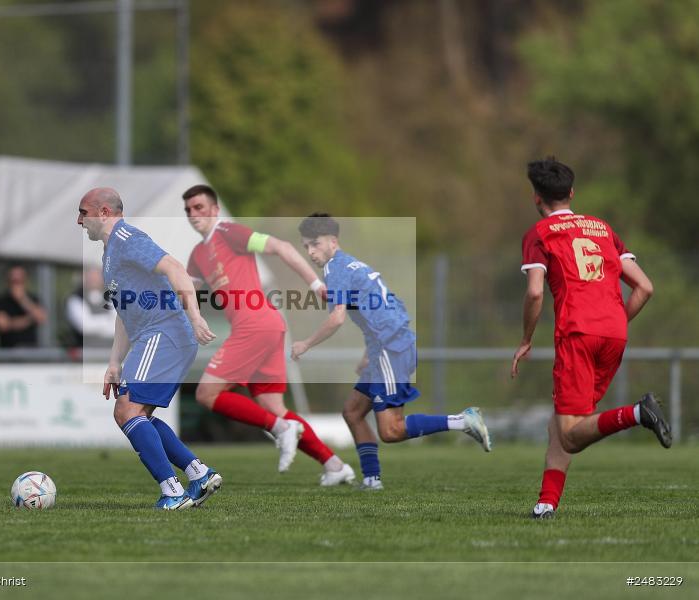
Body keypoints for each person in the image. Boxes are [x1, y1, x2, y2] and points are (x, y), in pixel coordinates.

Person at [512, 157, 671, 519]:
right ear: (571, 193)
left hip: (578, 333)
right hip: (614, 333)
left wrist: (525, 339)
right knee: (562, 422)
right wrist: (614, 321)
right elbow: (645, 287)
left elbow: (534, 293)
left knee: (570, 434)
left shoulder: (539, 234)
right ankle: (546, 503)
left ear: (537, 198)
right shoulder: (602, 228)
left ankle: (637, 413)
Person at [291, 213, 491, 491]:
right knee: (353, 412)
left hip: (390, 349)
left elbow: (337, 319)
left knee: (391, 430)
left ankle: (462, 421)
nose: (311, 252)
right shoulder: (352, 264)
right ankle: (372, 480)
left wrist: (306, 343)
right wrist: (370, 352)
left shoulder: (336, 268)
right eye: (306, 246)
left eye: (315, 244)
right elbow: (386, 306)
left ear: (333, 241)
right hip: (388, 346)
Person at [183, 185, 355, 485]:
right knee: (274, 407)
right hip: (268, 326)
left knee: (206, 394)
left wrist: (316, 285)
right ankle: (334, 464)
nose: (193, 214)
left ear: (215, 209)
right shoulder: (198, 254)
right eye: (188, 210)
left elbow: (282, 247)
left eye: (199, 207)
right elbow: (186, 293)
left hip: (255, 324)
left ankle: (280, 428)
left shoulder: (229, 232)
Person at [77, 187, 222, 510]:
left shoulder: (127, 237)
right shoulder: (110, 252)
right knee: (138, 414)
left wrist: (195, 316)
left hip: (164, 333)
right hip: (155, 335)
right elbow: (124, 311)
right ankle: (198, 474)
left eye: (83, 213)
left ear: (104, 212)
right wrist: (114, 362)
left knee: (126, 410)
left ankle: (173, 492)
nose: (79, 221)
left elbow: (175, 268)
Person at [65, 266, 117, 356]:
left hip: (110, 352)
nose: (94, 279)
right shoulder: (75, 298)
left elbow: (119, 325)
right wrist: (108, 320)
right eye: (90, 276)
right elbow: (85, 326)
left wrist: (95, 322)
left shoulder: (112, 297)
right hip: (84, 354)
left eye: (97, 276)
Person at [0, 266, 47, 348]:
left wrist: (23, 300)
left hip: (30, 349)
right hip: (8, 349)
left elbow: (41, 318)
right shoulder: (1, 301)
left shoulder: (33, 299)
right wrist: (29, 319)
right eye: (13, 281)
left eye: (19, 281)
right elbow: (2, 325)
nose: (16, 285)